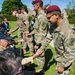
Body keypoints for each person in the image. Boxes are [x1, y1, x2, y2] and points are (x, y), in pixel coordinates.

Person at [45, 5, 75, 75]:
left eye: (49, 18)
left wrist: (62, 66)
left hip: (65, 61)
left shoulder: (67, 31)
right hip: (59, 58)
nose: (48, 20)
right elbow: (49, 37)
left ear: (56, 15)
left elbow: (71, 53)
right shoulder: (53, 25)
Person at [21, 0, 50, 73]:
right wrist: (30, 33)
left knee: (40, 54)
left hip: (40, 41)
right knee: (38, 55)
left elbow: (43, 33)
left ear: (38, 5)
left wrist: (38, 44)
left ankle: (41, 70)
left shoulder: (42, 16)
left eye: (34, 6)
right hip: (37, 39)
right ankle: (40, 68)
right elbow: (36, 29)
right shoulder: (38, 15)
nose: (33, 7)